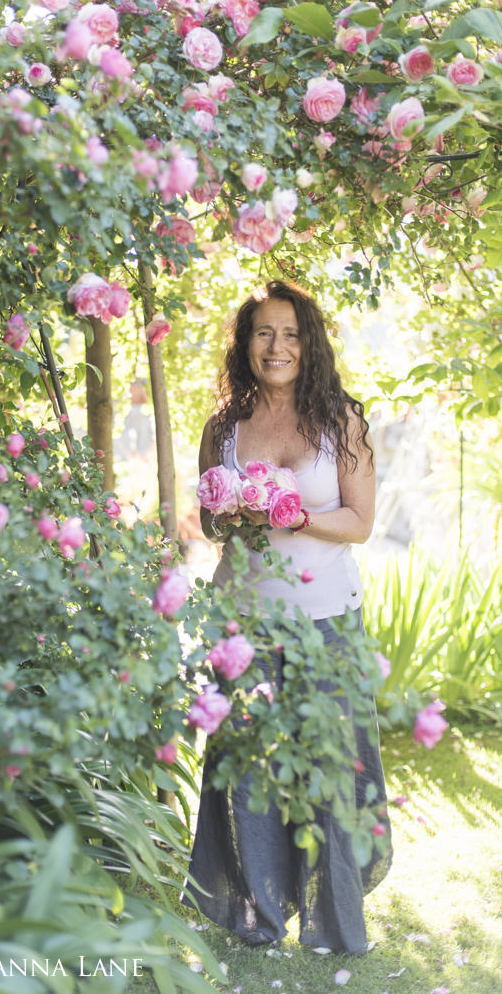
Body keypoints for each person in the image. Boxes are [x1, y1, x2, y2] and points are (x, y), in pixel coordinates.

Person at [183, 279, 391, 955]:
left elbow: (360, 523)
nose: (277, 346)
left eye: (291, 333)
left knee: (328, 773)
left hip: (325, 620)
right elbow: (211, 516)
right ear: (246, 343)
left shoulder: (341, 422)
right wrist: (234, 512)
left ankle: (332, 921)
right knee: (247, 771)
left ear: (311, 343)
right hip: (242, 624)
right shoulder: (224, 425)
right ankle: (257, 915)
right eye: (263, 332)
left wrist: (296, 514)